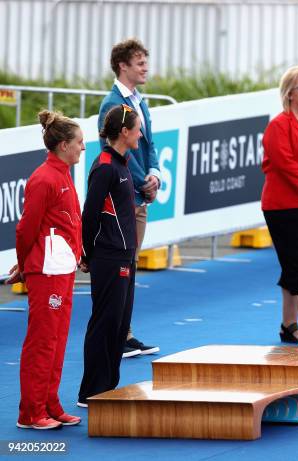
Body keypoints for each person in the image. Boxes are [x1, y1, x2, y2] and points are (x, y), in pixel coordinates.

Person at [8, 110, 84, 429]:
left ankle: (50, 403)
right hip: (47, 271)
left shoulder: (64, 172)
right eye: (79, 142)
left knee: (58, 338)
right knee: (42, 340)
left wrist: (78, 252)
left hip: (63, 269)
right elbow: (26, 229)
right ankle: (31, 412)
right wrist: (25, 264)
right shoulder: (44, 178)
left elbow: (68, 220)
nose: (83, 147)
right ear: (63, 145)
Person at [99, 38, 160, 357]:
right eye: (139, 63)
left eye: (145, 62)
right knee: (123, 266)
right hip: (125, 198)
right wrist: (143, 181)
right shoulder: (112, 104)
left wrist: (155, 174)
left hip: (139, 196)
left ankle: (125, 331)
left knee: (131, 264)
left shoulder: (140, 101)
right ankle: (119, 334)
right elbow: (116, 153)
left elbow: (148, 144)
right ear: (123, 66)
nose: (145, 68)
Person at [78, 104, 140, 407]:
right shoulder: (104, 166)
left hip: (126, 255)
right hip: (109, 257)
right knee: (105, 322)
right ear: (124, 132)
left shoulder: (121, 163)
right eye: (137, 128)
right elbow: (89, 215)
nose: (141, 133)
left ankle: (108, 386)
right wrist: (88, 253)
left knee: (119, 324)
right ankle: (90, 391)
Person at [262, 65, 298, 344]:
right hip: (282, 206)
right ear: (289, 94)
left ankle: (288, 325)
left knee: (296, 263)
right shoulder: (278, 126)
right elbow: (286, 165)